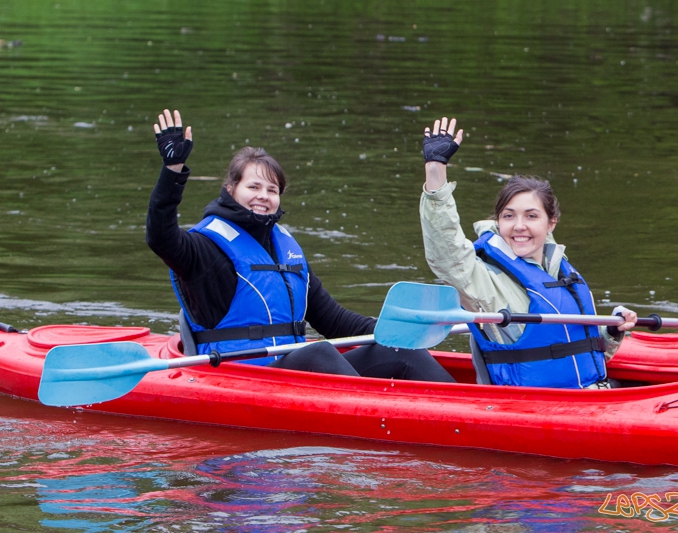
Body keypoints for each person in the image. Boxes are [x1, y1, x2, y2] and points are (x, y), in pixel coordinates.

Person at [146, 109, 454, 382]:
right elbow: (161, 237)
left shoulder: (287, 251)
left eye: (272, 189)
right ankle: (377, 414)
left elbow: (336, 322)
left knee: (402, 351)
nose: (263, 196)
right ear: (231, 189)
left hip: (289, 373)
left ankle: (455, 409)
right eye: (253, 186)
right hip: (238, 376)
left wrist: (402, 328)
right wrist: (172, 171)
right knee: (317, 354)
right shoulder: (204, 250)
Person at [419, 116, 637, 389]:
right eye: (509, 216)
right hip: (534, 408)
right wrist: (436, 170)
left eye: (531, 216)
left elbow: (582, 352)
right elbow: (445, 251)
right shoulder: (482, 280)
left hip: (590, 396)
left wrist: (612, 331)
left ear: (551, 223)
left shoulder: (558, 270)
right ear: (499, 222)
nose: (519, 226)